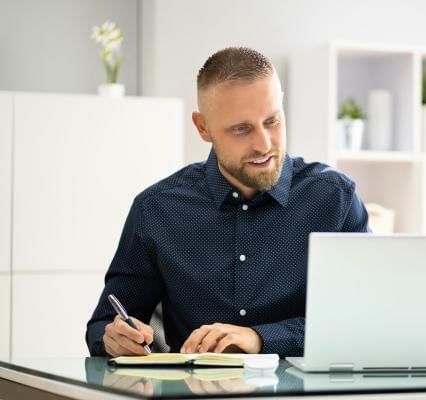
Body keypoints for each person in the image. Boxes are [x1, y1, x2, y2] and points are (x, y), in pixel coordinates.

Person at [86, 47, 369, 358]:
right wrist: (114, 338)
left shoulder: (334, 198)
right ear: (203, 127)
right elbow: (104, 324)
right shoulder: (156, 210)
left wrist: (260, 338)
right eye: (241, 129)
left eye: (272, 121)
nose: (263, 144)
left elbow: (362, 320)